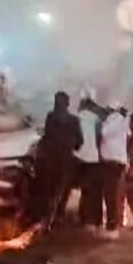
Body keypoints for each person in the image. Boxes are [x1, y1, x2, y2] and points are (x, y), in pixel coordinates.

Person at [37, 91, 83, 230]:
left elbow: (46, 136)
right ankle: (58, 216)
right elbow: (79, 141)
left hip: (49, 159)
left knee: (49, 189)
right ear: (68, 104)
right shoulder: (74, 120)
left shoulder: (50, 117)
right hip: (66, 159)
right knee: (62, 189)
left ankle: (47, 217)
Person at [99, 105, 129, 240]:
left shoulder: (114, 118)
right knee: (114, 195)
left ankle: (112, 228)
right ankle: (114, 225)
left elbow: (105, 133)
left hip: (112, 163)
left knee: (111, 195)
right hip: (116, 162)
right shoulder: (122, 120)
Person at [74, 98, 103, 232]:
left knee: (82, 189)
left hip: (77, 158)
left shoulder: (75, 119)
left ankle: (82, 217)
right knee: (92, 191)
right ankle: (91, 221)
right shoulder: (97, 120)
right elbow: (100, 138)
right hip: (93, 159)